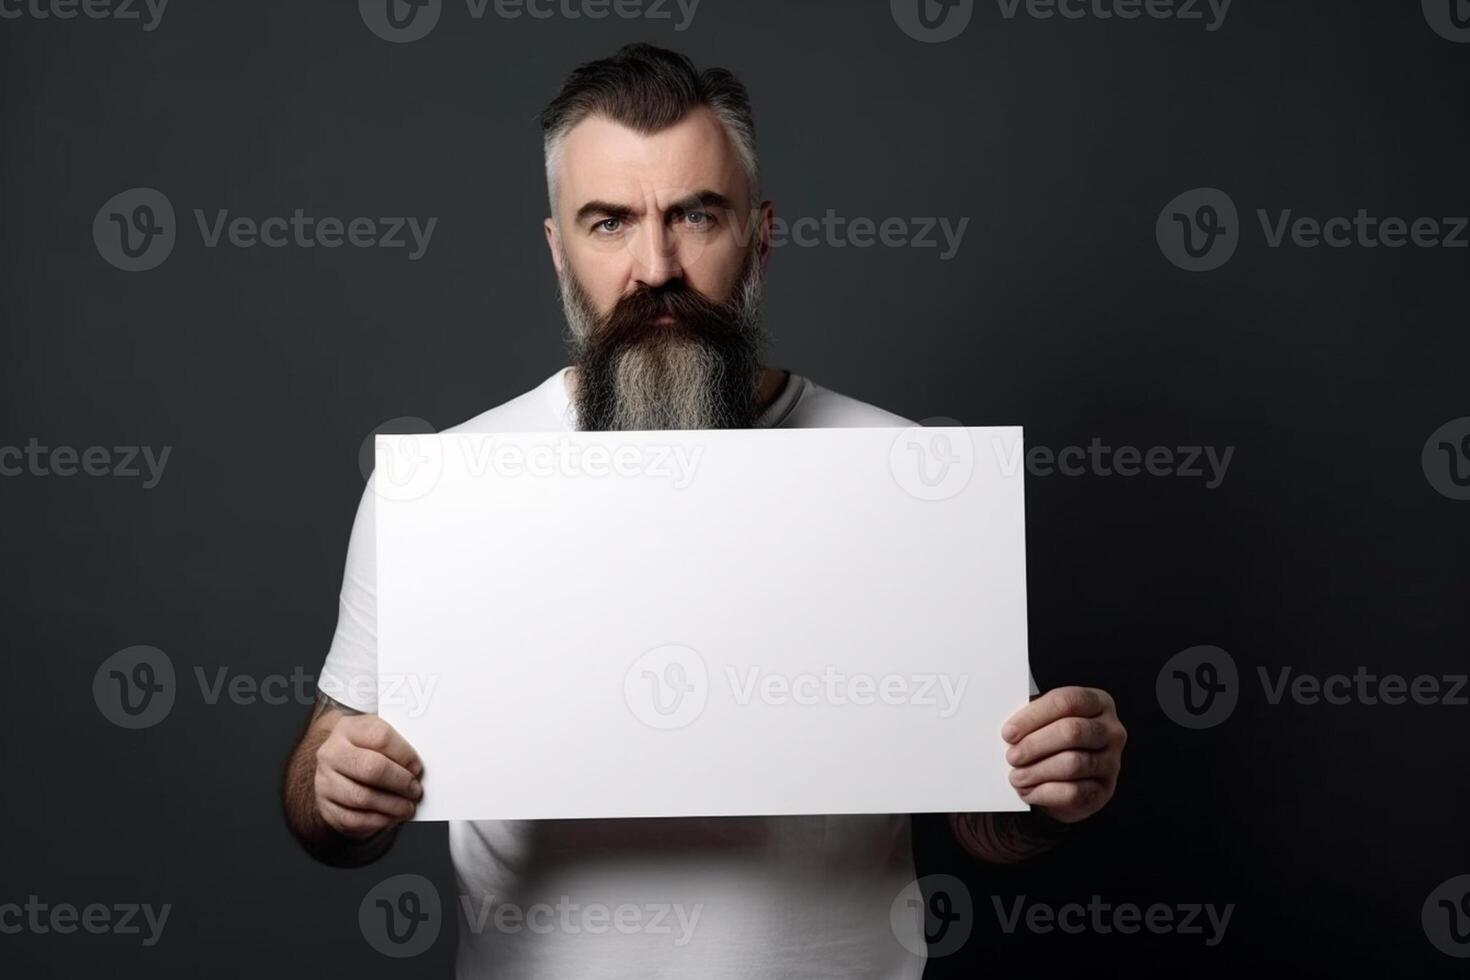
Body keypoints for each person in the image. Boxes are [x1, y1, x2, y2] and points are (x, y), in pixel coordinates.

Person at [281, 42, 1126, 978]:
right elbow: (325, 799)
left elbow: (985, 823)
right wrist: (334, 787)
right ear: (558, 248)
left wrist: (1054, 785)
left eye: (695, 214)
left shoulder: (904, 474)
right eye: (609, 222)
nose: (656, 265)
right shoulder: (445, 485)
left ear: (760, 234)